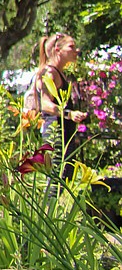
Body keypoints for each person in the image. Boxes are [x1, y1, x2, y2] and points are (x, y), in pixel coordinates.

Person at [30, 32, 87, 172]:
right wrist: (69, 114)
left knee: (64, 176)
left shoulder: (58, 72)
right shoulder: (49, 73)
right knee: (55, 180)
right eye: (71, 47)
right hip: (55, 133)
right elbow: (45, 104)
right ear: (58, 50)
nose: (76, 51)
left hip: (65, 133)